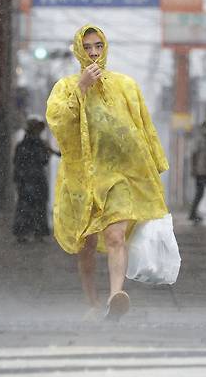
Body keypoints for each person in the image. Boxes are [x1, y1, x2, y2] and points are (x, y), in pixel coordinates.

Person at [46, 24, 169, 321]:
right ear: (78, 50)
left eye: (98, 46)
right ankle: (92, 301)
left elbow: (142, 126)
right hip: (82, 179)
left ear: (105, 48)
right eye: (87, 47)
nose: (93, 52)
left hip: (119, 177)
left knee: (115, 235)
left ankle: (117, 294)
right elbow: (58, 121)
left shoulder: (126, 86)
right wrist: (82, 88)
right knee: (85, 245)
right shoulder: (65, 88)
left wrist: (153, 163)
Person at [12, 115, 59, 243]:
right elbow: (43, 160)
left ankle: (24, 233)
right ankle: (37, 232)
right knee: (37, 206)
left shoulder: (23, 144)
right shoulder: (38, 144)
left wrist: (18, 179)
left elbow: (17, 162)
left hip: (26, 179)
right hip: (36, 179)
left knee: (25, 207)